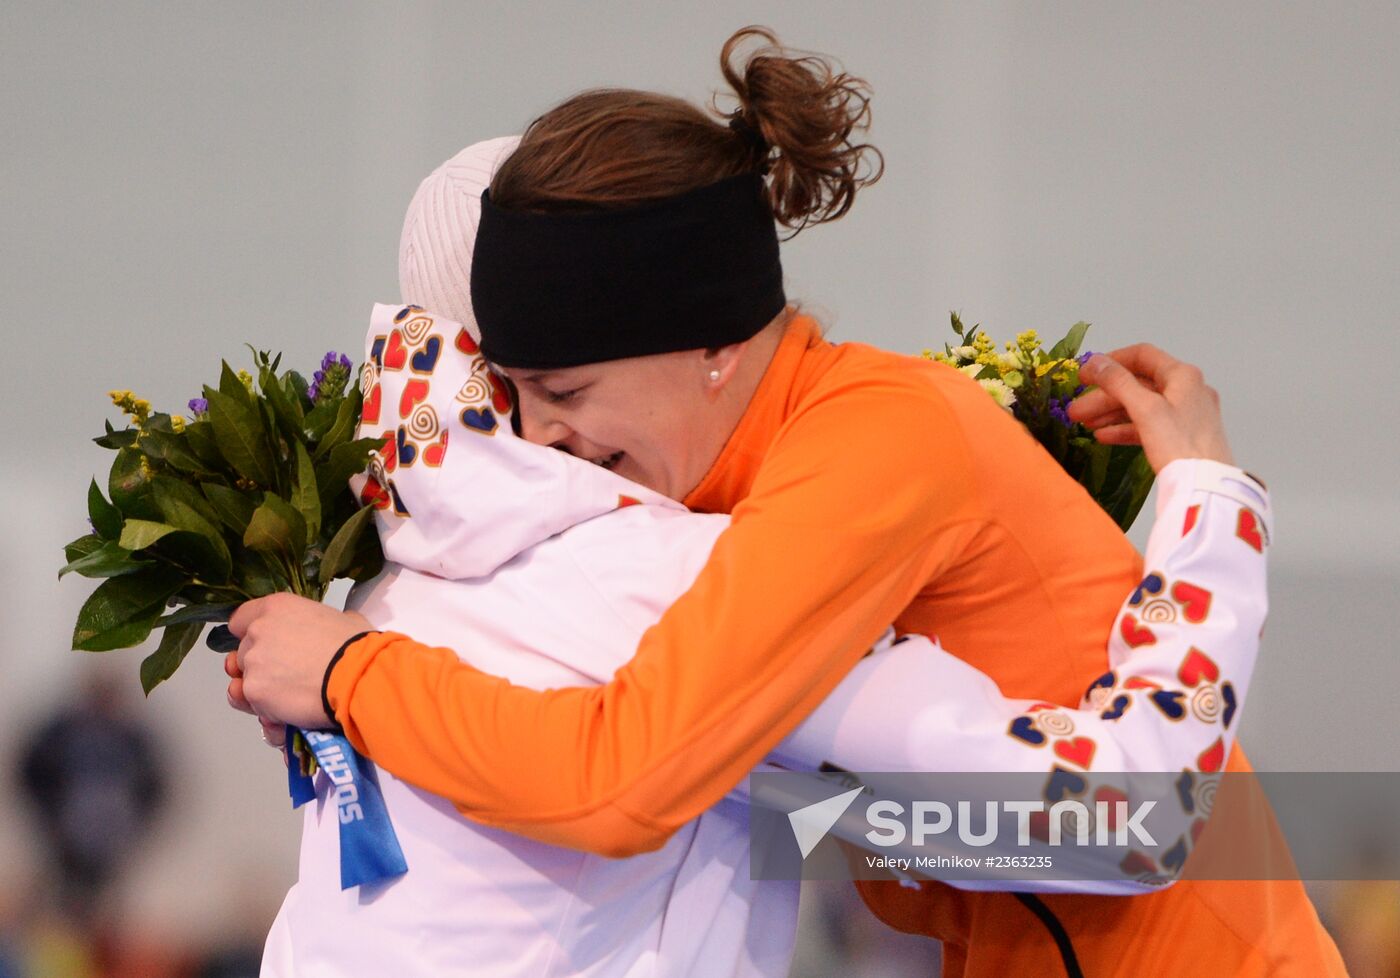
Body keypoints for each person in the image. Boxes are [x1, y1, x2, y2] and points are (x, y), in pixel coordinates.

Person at [231, 27, 1345, 977]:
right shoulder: (730, 482)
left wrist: (347, 672)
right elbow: (865, 808)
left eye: (562, 392)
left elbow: (616, 782)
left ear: (711, 344)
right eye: (509, 396)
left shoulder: (865, 448)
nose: (538, 434)